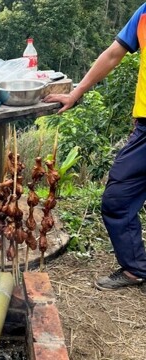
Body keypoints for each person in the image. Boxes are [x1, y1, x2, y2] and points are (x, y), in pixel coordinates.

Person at [44, 4, 146, 292]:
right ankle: (136, 269)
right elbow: (114, 54)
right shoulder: (143, 14)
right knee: (118, 198)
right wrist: (75, 93)